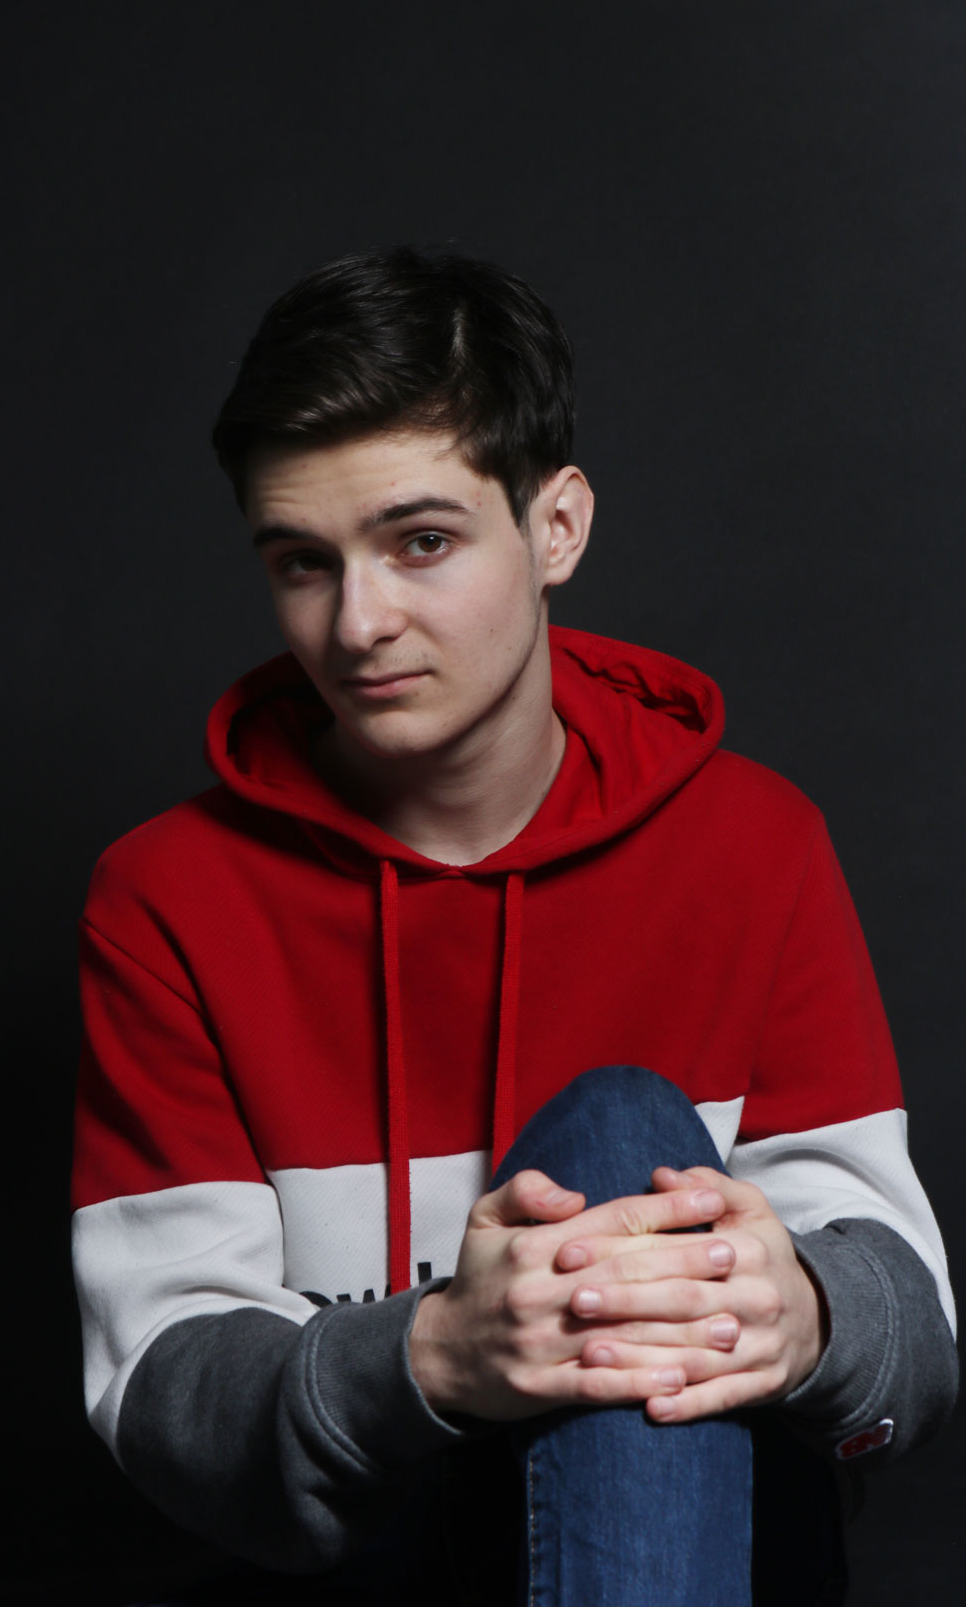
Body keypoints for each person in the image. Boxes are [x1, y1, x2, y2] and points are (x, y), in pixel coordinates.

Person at [71, 247, 956, 1606]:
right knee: (616, 1156)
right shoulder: (168, 897)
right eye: (303, 562)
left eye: (420, 542)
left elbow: (911, 1345)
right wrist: (437, 1353)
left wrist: (812, 1312)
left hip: (708, 1530)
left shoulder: (752, 844)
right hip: (364, 1554)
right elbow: (164, 1394)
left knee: (619, 1132)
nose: (358, 623)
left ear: (557, 528)